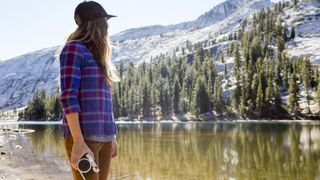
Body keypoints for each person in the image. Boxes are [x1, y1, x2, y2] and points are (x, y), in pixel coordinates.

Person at [59, 1, 119, 179]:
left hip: (105, 137)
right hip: (84, 138)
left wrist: (112, 136)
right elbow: (68, 97)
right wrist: (78, 141)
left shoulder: (99, 55)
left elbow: (105, 100)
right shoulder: (73, 49)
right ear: (96, 24)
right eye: (105, 21)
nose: (107, 27)